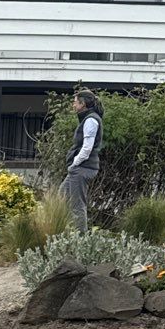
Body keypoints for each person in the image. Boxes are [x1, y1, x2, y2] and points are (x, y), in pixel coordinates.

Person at [63, 86, 104, 233]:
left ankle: (81, 239)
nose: (73, 105)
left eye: (75, 102)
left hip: (82, 168)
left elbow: (87, 149)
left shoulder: (91, 120)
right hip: (79, 168)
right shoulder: (87, 119)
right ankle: (64, 231)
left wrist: (74, 164)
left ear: (83, 104)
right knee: (61, 196)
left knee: (77, 205)